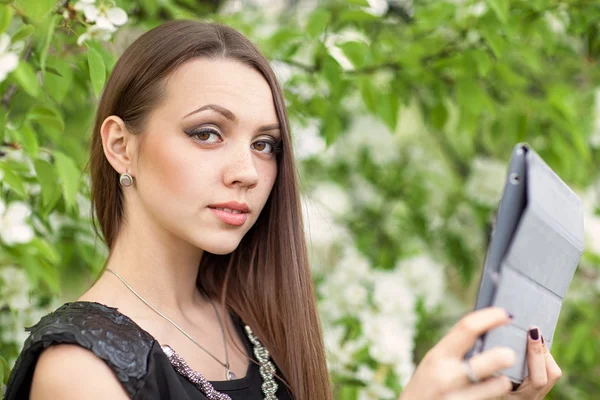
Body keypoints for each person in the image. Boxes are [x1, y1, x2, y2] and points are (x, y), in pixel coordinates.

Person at [3, 20, 561, 400]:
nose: (247, 169)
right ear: (121, 145)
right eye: (207, 133)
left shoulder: (254, 324)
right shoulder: (79, 370)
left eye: (264, 144)